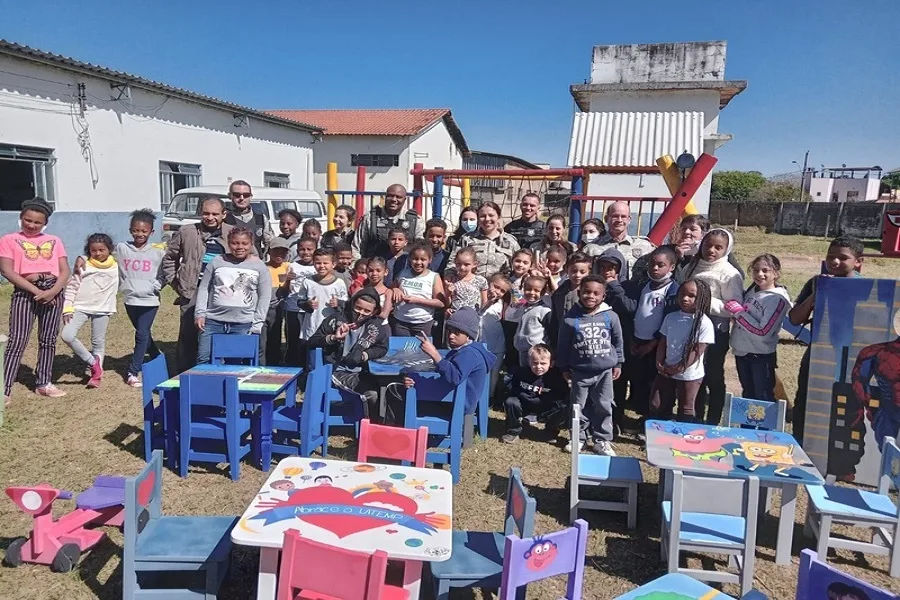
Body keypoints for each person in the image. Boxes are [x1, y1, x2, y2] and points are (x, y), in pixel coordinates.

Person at [788, 236, 864, 443]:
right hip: (817, 354)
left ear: (858, 262)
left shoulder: (866, 287)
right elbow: (795, 319)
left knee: (844, 406)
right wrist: (816, 294)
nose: (835, 261)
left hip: (851, 358)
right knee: (805, 401)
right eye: (831, 256)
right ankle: (801, 446)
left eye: (843, 258)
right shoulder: (816, 282)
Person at [0, 198, 70, 401]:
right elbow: (7, 270)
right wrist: (35, 291)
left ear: (45, 223)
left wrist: (53, 291)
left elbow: (64, 270)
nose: (31, 225)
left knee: (48, 340)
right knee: (17, 341)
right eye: (27, 220)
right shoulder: (8, 240)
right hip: (25, 293)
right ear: (21, 218)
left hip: (53, 292)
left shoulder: (55, 241)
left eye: (37, 222)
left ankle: (43, 383)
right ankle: (4, 388)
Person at [162, 196, 239, 372]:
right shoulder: (187, 231)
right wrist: (177, 284)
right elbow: (170, 258)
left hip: (223, 293)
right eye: (205, 213)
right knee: (189, 336)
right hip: (193, 291)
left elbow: (248, 256)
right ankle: (185, 374)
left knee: (219, 334)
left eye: (215, 214)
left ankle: (218, 372)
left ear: (223, 214)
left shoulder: (233, 232)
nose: (210, 217)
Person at [605, 245, 679, 426]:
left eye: (660, 265)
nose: (655, 268)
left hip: (656, 346)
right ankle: (618, 419)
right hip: (636, 343)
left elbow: (669, 322)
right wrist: (631, 339)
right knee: (634, 382)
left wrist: (653, 344)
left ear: (672, 267)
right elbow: (635, 313)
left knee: (652, 386)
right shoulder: (643, 286)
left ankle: (651, 423)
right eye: (652, 264)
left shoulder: (672, 290)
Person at [392, 308, 496, 430]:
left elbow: (454, 377)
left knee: (400, 395)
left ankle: (400, 435)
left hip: (455, 405)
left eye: (457, 333)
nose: (451, 336)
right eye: (449, 331)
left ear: (468, 335)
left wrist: (435, 355)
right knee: (409, 386)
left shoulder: (469, 354)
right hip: (453, 400)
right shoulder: (466, 350)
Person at [682, 229, 744, 425]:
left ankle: (713, 419)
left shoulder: (730, 274)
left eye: (718, 247)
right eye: (708, 245)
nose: (712, 250)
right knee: (694, 372)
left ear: (727, 249)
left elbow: (733, 307)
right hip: (691, 327)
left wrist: (705, 302)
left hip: (716, 331)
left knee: (712, 374)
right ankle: (695, 415)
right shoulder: (692, 266)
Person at [557, 275, 624, 456]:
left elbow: (618, 341)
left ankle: (602, 440)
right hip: (580, 371)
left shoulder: (611, 316)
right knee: (578, 406)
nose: (591, 296)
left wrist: (618, 362)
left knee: (604, 405)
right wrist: (563, 367)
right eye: (587, 292)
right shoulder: (570, 318)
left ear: (603, 296)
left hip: (604, 372)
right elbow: (562, 345)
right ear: (579, 293)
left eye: (596, 293)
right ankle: (578, 437)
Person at [309, 287, 389, 420]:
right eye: (358, 308)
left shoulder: (375, 326)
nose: (361, 313)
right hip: (336, 370)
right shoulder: (335, 320)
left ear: (374, 311)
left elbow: (382, 348)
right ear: (352, 304)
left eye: (367, 310)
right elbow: (311, 342)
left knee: (388, 385)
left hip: (363, 371)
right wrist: (333, 338)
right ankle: (368, 428)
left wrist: (365, 355)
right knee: (372, 393)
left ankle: (383, 427)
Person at [194, 227, 271, 364]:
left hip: (242, 324)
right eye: (235, 243)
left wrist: (257, 323)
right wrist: (200, 314)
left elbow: (264, 296)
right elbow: (204, 288)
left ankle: (228, 386)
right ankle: (207, 385)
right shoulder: (217, 261)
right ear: (228, 243)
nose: (239, 247)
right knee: (204, 359)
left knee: (234, 363)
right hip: (212, 322)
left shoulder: (259, 266)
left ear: (251, 243)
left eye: (244, 243)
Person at [649, 279, 715, 423]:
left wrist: (679, 368)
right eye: (682, 294)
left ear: (701, 298)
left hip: (689, 375)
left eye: (691, 296)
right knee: (657, 403)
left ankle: (684, 439)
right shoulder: (671, 317)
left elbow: (697, 351)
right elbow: (663, 342)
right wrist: (659, 362)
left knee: (686, 407)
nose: (685, 298)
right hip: (666, 370)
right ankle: (659, 434)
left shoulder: (704, 323)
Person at [728, 254, 791, 402]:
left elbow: (763, 331)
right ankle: (748, 426)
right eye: (756, 270)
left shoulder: (777, 299)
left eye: (765, 270)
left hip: (760, 356)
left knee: (763, 397)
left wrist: (739, 313)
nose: (759, 274)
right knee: (747, 393)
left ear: (776, 273)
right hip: (742, 352)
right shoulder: (753, 290)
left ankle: (765, 427)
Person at [61, 233, 118, 388]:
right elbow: (72, 287)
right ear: (89, 251)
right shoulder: (84, 264)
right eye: (94, 250)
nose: (98, 253)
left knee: (98, 342)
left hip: (103, 309)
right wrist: (67, 308)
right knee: (67, 335)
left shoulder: (116, 264)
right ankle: (94, 363)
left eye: (102, 250)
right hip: (80, 307)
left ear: (109, 249)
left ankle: (96, 377)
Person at [117, 209, 165, 387]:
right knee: (144, 334)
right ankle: (157, 357)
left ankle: (132, 371)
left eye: (144, 231)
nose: (140, 234)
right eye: (136, 230)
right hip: (130, 298)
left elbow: (166, 272)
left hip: (149, 300)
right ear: (130, 230)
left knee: (141, 334)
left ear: (151, 232)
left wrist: (157, 285)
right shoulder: (122, 248)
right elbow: (102, 255)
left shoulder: (158, 252)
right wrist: (82, 259)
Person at [502, 344, 569, 444]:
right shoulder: (521, 373)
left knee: (565, 406)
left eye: (543, 363)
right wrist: (521, 395)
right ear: (529, 361)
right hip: (525, 405)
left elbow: (562, 395)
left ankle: (550, 431)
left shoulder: (557, 377)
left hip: (545, 407)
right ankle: (513, 431)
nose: (538, 367)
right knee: (511, 402)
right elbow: (511, 386)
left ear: (551, 363)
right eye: (534, 363)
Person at [447, 201, 520, 278]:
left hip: (500, 287)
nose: (487, 219)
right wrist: (449, 275)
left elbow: (521, 264)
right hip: (472, 287)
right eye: (483, 216)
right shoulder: (467, 239)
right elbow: (452, 262)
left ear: (498, 217)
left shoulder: (511, 241)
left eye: (491, 215)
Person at [390, 241, 446, 337]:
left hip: (423, 323)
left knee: (421, 351)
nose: (418, 262)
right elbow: (391, 289)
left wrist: (416, 300)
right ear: (410, 259)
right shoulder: (403, 273)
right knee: (401, 350)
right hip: (400, 322)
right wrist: (395, 289)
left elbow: (440, 303)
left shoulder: (434, 277)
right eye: (415, 259)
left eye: (423, 259)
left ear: (429, 260)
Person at [353, 184, 424, 258]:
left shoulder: (415, 220)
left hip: (404, 266)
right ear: (385, 197)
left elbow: (420, 248)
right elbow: (357, 247)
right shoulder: (370, 218)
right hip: (374, 266)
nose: (394, 199)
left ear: (404, 199)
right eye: (390, 196)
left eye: (398, 197)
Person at [297, 247, 348, 345]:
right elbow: (300, 302)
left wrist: (338, 303)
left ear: (333, 264)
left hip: (331, 328)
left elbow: (345, 305)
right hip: (312, 325)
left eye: (325, 263)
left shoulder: (339, 283)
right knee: (311, 355)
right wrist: (308, 304)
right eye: (318, 263)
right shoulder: (308, 282)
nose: (321, 266)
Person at [592, 201, 655, 279]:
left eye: (623, 216)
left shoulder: (645, 247)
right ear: (606, 218)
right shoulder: (592, 248)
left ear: (629, 220)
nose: (619, 220)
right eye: (615, 216)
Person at [674, 214, 744, 281]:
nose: (686, 232)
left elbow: (739, 276)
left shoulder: (719, 253)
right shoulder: (669, 251)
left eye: (693, 229)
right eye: (683, 228)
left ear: (703, 233)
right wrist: (679, 258)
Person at [547, 252, 593, 351]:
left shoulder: (592, 294)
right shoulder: (559, 293)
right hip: (563, 340)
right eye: (574, 271)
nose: (577, 275)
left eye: (582, 272)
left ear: (589, 272)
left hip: (585, 340)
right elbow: (555, 319)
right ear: (567, 269)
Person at [284, 236, 318, 367]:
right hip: (293, 308)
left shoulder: (318, 266)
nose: (306, 252)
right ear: (297, 251)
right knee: (293, 339)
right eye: (302, 249)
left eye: (310, 249)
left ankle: (306, 366)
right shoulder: (292, 266)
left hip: (311, 309)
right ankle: (292, 366)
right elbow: (285, 289)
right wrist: (287, 280)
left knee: (308, 339)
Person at [479, 273, 511, 402]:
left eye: (502, 290)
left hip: (497, 343)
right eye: (496, 286)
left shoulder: (503, 303)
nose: (498, 291)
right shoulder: (480, 296)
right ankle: (478, 395)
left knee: (494, 372)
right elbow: (479, 312)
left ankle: (489, 397)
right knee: (481, 371)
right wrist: (489, 301)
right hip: (480, 342)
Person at [261, 237, 292, 366]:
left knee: (275, 337)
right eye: (276, 251)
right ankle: (260, 365)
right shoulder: (262, 267)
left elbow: (287, 289)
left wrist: (288, 280)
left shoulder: (288, 267)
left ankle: (274, 364)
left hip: (279, 308)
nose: (279, 254)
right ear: (269, 252)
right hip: (263, 308)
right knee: (261, 341)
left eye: (283, 251)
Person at [502, 249, 534, 370]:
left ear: (531, 265)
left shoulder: (531, 280)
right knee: (510, 349)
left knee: (521, 350)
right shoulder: (508, 280)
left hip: (524, 320)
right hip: (510, 319)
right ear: (512, 261)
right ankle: (509, 376)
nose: (520, 265)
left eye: (525, 262)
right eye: (518, 261)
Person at [224, 180, 273, 256]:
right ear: (230, 196)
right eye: (237, 195)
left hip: (255, 264)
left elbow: (270, 243)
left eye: (246, 195)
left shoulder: (261, 218)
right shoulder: (224, 218)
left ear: (251, 196)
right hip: (231, 264)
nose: (242, 198)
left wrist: (264, 261)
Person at [513, 276, 552, 366]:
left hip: (538, 353)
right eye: (528, 289)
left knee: (537, 376)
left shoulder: (544, 310)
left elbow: (551, 332)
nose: (531, 293)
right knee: (525, 375)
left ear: (543, 292)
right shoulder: (523, 307)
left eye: (536, 290)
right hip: (523, 351)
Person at [446, 247, 488, 314]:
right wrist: (448, 294)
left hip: (472, 318)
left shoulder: (481, 281)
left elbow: (484, 304)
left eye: (466, 264)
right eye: (458, 264)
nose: (462, 267)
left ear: (475, 264)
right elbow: (447, 304)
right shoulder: (451, 280)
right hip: (454, 317)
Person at [365, 257, 393, 322]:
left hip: (381, 327)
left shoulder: (388, 292)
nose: (374, 274)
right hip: (363, 326)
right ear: (366, 271)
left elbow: (384, 315)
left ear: (386, 272)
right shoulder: (361, 289)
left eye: (378, 270)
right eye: (371, 270)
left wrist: (366, 311)